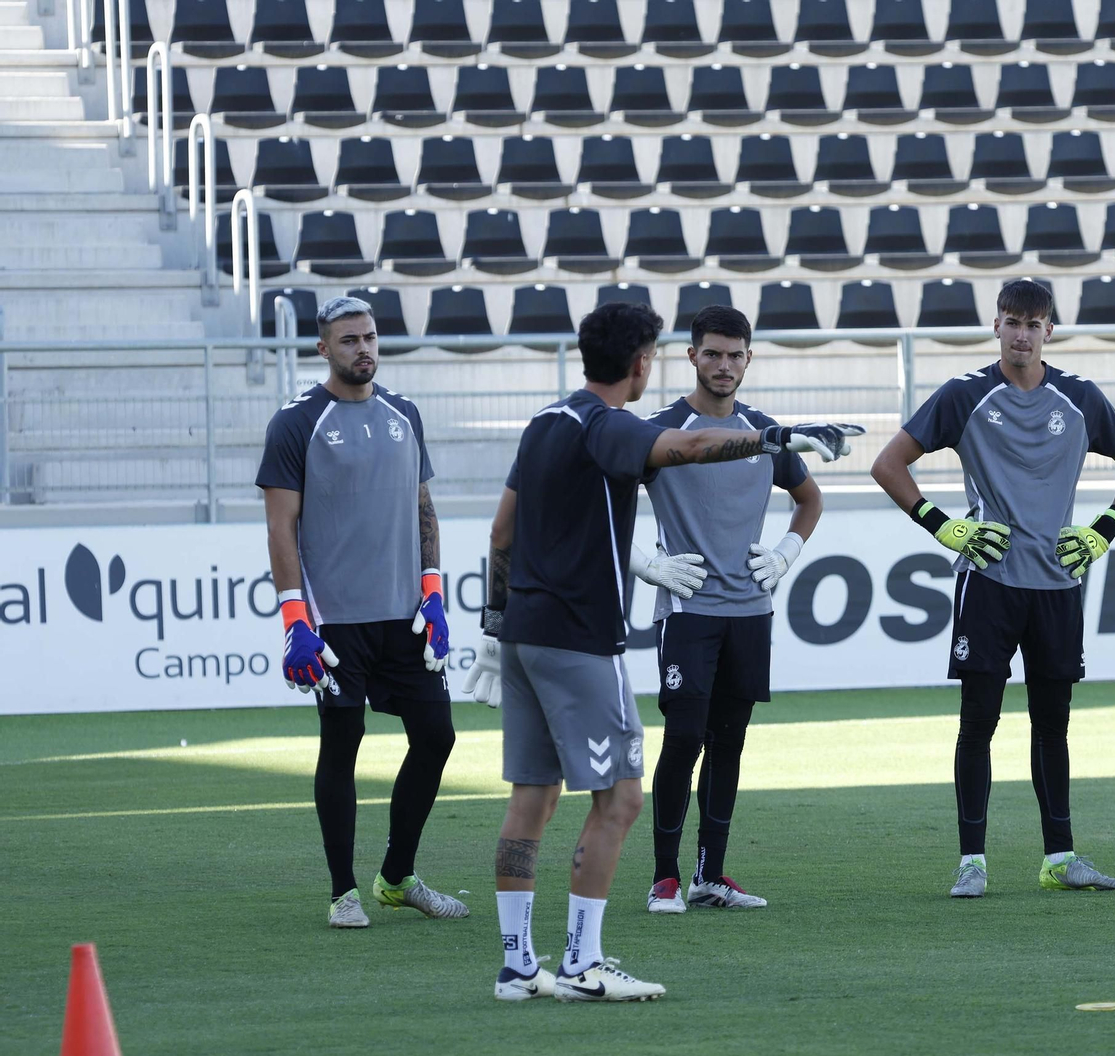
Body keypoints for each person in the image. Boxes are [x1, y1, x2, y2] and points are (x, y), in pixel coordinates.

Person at [463, 302, 860, 1003]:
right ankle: (584, 962)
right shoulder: (613, 425)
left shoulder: (543, 423)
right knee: (618, 798)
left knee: (531, 800)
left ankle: (519, 966)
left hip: (522, 634)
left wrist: (495, 628)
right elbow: (684, 449)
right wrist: (778, 438)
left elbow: (501, 532)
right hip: (581, 637)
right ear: (645, 362)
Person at [870, 278, 1115, 899]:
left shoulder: (1079, 397)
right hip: (990, 582)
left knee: (1053, 726)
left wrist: (1103, 530)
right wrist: (944, 526)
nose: (1022, 333)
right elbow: (888, 464)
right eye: (1011, 321)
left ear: (1050, 330)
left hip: (1057, 582)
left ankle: (1061, 856)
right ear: (995, 326)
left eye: (1034, 323)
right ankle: (971, 861)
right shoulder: (965, 395)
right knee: (979, 724)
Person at [256, 295, 465, 929]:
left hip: (404, 616)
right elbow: (280, 527)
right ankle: (342, 891)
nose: (363, 349)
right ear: (323, 349)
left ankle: (397, 877)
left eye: (370, 337)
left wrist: (432, 592)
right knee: (342, 743)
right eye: (348, 340)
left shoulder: (405, 414)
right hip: (336, 622)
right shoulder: (296, 422)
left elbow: (422, 508)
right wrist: (296, 618)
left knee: (438, 736)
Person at [632, 304, 824, 914]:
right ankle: (665, 876)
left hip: (750, 609)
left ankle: (710, 875)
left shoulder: (767, 432)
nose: (723, 364)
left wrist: (787, 552)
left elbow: (809, 498)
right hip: (688, 611)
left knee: (729, 741)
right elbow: (597, 501)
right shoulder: (660, 430)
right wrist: (647, 564)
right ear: (691, 357)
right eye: (711, 353)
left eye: (734, 354)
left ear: (749, 358)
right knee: (684, 736)